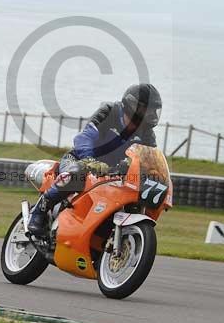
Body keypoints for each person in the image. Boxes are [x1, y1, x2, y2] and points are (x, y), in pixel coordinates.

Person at [27, 83, 163, 235]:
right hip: (79, 159)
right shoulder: (109, 112)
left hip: (112, 173)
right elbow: (85, 136)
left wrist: (154, 173)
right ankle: (39, 211)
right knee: (77, 173)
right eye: (146, 109)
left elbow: (149, 158)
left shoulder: (147, 133)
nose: (150, 114)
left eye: (153, 111)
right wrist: (89, 159)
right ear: (132, 105)